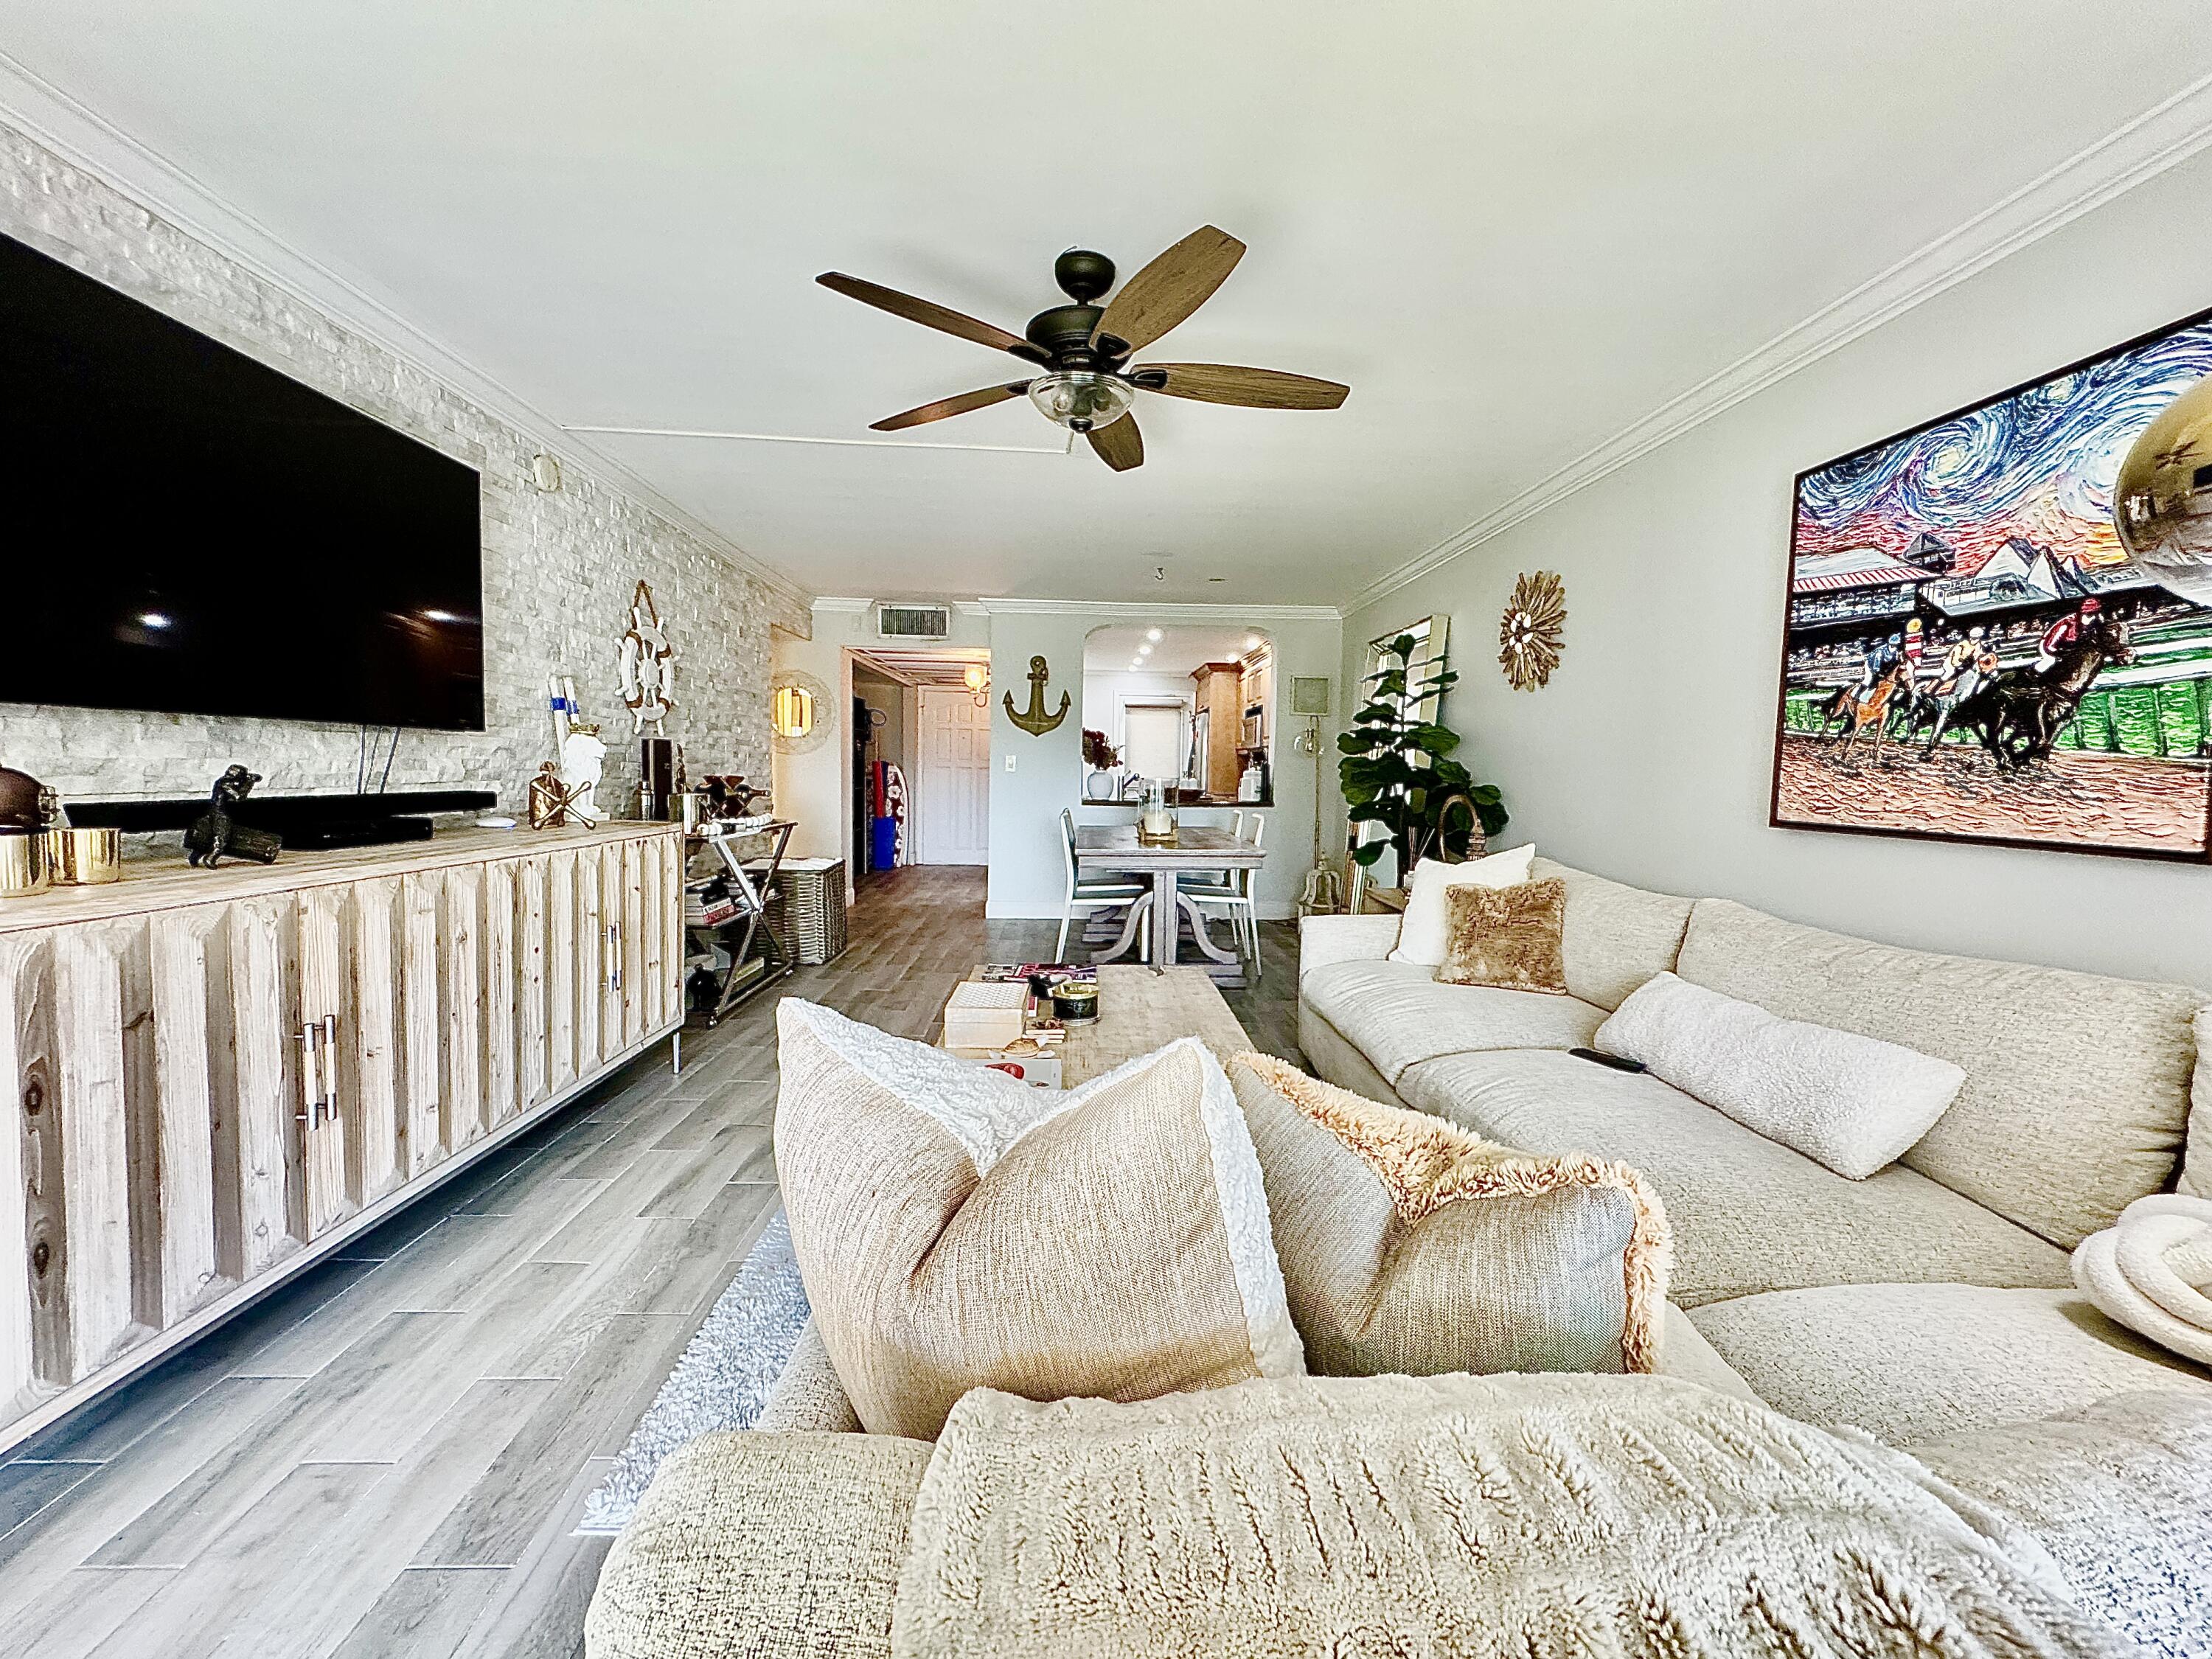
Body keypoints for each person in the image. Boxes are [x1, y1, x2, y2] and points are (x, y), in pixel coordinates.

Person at [2036, 597, 2100, 675]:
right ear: (2084, 613)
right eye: (2090, 615)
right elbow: (2053, 640)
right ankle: (2033, 674)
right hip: (2048, 644)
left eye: (2095, 614)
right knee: (2050, 660)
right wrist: (2055, 651)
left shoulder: (2093, 622)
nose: (2093, 618)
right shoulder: (2068, 623)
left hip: (2067, 647)